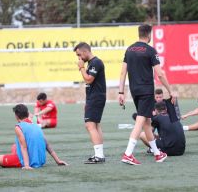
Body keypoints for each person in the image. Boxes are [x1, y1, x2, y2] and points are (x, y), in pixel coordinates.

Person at [118, 24, 174, 165]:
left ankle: (157, 154)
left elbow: (123, 72)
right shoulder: (150, 50)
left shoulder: (129, 49)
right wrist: (170, 90)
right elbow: (160, 74)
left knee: (147, 122)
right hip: (146, 91)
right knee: (141, 120)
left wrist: (121, 92)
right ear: (149, 35)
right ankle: (128, 154)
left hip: (134, 90)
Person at [0, 104, 68, 169]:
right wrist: (58, 160)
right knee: (14, 146)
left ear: (16, 116)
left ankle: (20, 161)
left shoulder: (18, 127)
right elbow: (47, 145)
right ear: (28, 114)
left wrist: (27, 165)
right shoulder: (36, 125)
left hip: (30, 161)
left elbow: (24, 147)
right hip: (41, 160)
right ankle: (18, 159)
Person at [74, 42, 106, 164]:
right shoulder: (92, 63)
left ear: (85, 51)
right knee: (96, 125)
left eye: (79, 55)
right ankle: (100, 154)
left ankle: (99, 156)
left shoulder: (96, 62)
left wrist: (81, 67)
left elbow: (88, 79)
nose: (79, 58)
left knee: (90, 125)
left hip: (96, 97)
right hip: (94, 97)